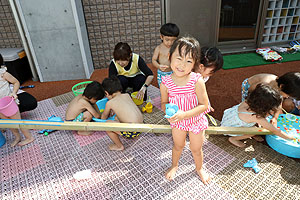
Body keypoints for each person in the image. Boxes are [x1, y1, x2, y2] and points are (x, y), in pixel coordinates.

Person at [160, 36, 211, 184]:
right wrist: (168, 112)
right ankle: (174, 165)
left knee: (196, 149)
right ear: (170, 57)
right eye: (179, 58)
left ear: (194, 64)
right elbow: (164, 102)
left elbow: (204, 105)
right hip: (178, 122)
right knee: (178, 146)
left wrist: (185, 114)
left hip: (195, 121)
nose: (182, 65)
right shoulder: (166, 83)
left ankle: (199, 168)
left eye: (188, 61)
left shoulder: (197, 80)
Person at [221, 84, 295, 148]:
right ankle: (234, 139)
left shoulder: (248, 102)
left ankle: (249, 132)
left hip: (229, 118)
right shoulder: (257, 117)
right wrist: (290, 138)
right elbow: (274, 130)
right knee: (254, 131)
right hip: (231, 128)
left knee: (257, 126)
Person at [101, 76, 143, 151]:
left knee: (107, 124)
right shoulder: (127, 95)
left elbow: (103, 118)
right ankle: (134, 135)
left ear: (106, 93)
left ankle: (119, 146)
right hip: (142, 126)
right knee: (117, 117)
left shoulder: (110, 103)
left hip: (133, 131)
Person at [0, 59, 34, 146]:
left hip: (9, 103)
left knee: (18, 121)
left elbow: (16, 82)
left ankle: (29, 137)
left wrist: (14, 92)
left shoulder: (3, 74)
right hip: (1, 107)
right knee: (9, 123)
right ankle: (17, 137)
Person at [194, 47, 223, 113]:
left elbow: (202, 91)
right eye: (211, 72)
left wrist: (206, 104)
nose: (212, 74)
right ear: (201, 67)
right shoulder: (187, 75)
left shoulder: (204, 77)